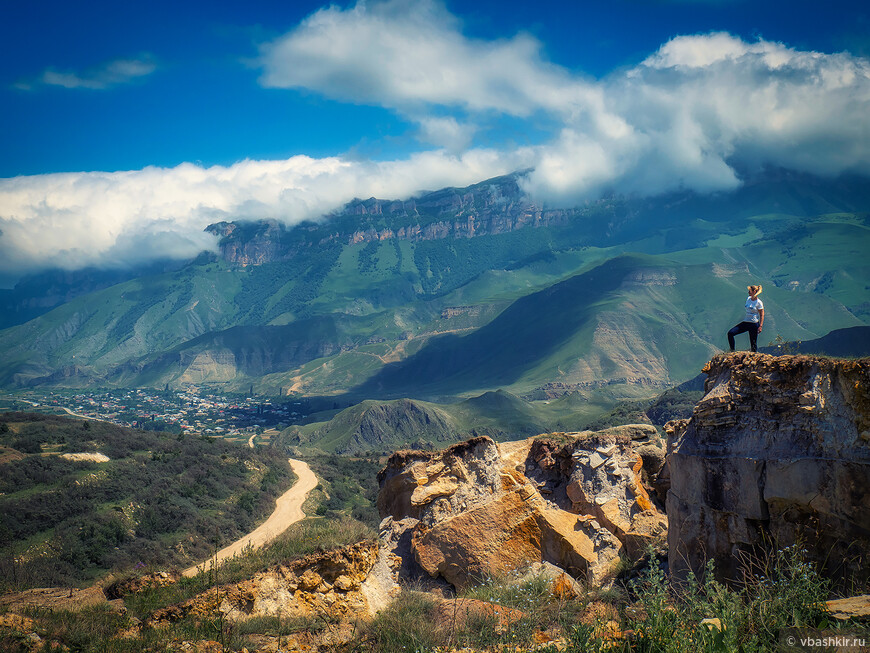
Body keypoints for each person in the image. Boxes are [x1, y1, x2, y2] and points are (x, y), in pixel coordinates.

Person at [728, 285, 764, 352]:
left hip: (754, 324)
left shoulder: (759, 303)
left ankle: (754, 358)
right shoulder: (748, 299)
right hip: (746, 322)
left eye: (749, 291)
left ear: (754, 291)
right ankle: (732, 351)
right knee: (730, 333)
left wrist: (760, 326)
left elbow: (762, 314)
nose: (748, 292)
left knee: (753, 344)